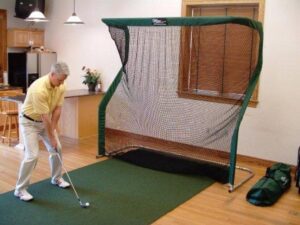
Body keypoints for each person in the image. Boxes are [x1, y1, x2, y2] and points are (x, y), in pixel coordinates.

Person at [14, 62, 71, 201]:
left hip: (43, 121)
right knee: (32, 155)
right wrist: (52, 136)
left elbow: (57, 109)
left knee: (58, 148)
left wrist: (54, 130)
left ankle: (56, 178)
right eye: (59, 80)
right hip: (29, 123)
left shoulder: (61, 85)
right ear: (52, 74)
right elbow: (44, 116)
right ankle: (20, 190)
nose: (61, 83)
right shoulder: (38, 89)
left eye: (63, 80)